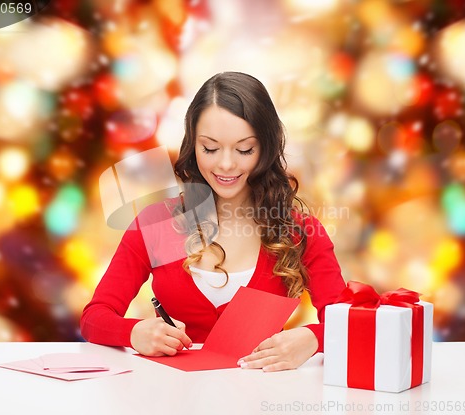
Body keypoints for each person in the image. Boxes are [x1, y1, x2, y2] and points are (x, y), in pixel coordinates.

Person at [81, 71, 345, 372]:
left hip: (264, 397)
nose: (226, 164)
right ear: (193, 146)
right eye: (210, 148)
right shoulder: (156, 223)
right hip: (175, 398)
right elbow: (94, 318)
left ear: (266, 148)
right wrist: (133, 332)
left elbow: (348, 322)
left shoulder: (298, 230)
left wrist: (312, 338)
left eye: (245, 149)